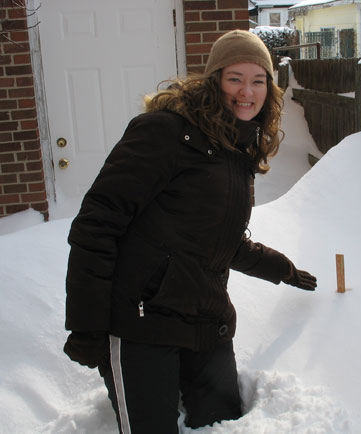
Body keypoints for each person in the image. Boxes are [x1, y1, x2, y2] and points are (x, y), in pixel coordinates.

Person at [63, 29, 317, 433]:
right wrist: (86, 322)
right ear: (213, 79)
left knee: (224, 426)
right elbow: (97, 224)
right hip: (141, 323)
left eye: (258, 80)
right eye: (235, 77)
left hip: (205, 319)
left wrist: (279, 268)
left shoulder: (237, 147)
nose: (246, 91)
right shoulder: (165, 132)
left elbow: (217, 240)